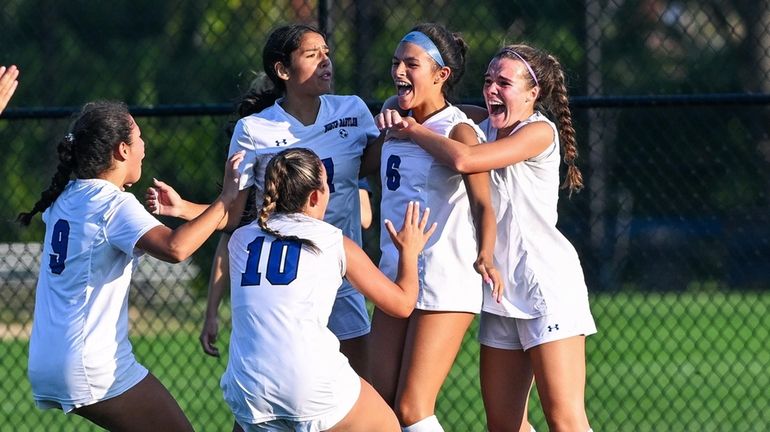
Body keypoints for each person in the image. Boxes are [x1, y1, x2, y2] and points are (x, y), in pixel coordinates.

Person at [377, 44, 597, 432]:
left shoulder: (538, 133)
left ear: (534, 94)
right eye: (488, 80)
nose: (492, 89)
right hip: (498, 291)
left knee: (564, 419)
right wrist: (402, 104)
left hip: (546, 286)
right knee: (504, 424)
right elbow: (443, 111)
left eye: (505, 83)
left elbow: (465, 159)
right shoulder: (483, 126)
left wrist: (412, 128)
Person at [17, 101, 244, 432]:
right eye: (139, 138)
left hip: (46, 358)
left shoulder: (67, 197)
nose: (144, 146)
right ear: (122, 150)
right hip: (90, 363)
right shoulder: (113, 204)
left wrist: (182, 209)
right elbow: (176, 247)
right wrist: (226, 197)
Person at [193, 24, 381, 380]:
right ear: (282, 70)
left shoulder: (353, 112)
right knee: (275, 389)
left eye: (327, 52)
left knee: (360, 389)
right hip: (287, 281)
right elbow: (233, 217)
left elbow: (379, 166)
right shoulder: (254, 130)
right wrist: (213, 308)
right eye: (312, 55)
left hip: (342, 271)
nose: (326, 61)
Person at [220, 147, 437, 431]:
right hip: (309, 385)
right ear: (315, 196)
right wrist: (409, 253)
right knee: (387, 426)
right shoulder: (332, 240)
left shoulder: (241, 239)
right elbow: (402, 304)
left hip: (246, 388)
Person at [369, 23, 500, 432]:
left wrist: (485, 252)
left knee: (412, 408)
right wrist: (384, 118)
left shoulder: (457, 130)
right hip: (394, 274)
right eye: (395, 63)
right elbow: (358, 165)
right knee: (377, 403)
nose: (399, 72)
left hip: (443, 279)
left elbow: (482, 202)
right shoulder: (394, 122)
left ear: (441, 75)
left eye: (412, 64)